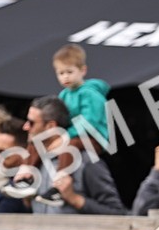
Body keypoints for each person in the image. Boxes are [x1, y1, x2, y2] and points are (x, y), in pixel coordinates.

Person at [25, 96, 127, 230]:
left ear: (51, 126)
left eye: (31, 122)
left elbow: (118, 214)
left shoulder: (87, 162)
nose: (25, 127)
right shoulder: (37, 163)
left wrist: (75, 199)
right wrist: (26, 195)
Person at [46, 44, 111, 206]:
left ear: (83, 70)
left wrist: (66, 136)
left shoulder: (90, 93)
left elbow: (89, 122)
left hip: (94, 138)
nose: (65, 77)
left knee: (70, 144)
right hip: (73, 134)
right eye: (61, 73)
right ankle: (25, 175)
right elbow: (62, 118)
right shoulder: (64, 94)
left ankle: (59, 185)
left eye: (69, 72)